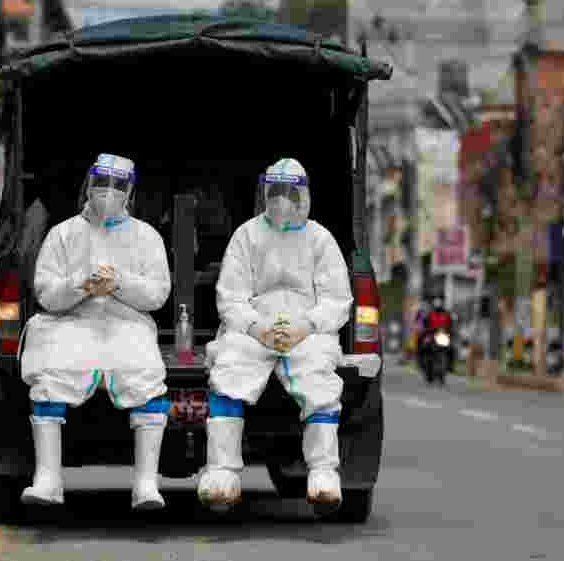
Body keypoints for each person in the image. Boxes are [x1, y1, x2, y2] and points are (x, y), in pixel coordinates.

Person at [197, 158, 353, 515]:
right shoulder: (247, 235)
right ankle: (222, 471)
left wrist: (305, 327)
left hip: (308, 330)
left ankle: (324, 471)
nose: (283, 200)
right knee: (229, 369)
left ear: (305, 194)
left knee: (319, 379)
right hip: (254, 328)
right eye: (276, 191)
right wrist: (257, 328)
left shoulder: (320, 239)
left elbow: (337, 299)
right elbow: (231, 296)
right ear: (265, 193)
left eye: (291, 192)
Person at [19, 154, 172, 511]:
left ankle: (146, 483)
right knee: (50, 370)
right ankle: (48, 479)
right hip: (70, 323)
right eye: (102, 182)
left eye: (118, 186)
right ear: (88, 184)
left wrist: (118, 284)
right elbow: (45, 292)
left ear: (131, 192)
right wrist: (82, 285)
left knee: (146, 373)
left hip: (126, 325)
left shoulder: (146, 236)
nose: (108, 192)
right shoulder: (63, 234)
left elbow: (158, 294)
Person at [418, 296, 454, 372]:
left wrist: (449, 331)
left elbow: (451, 324)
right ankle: (421, 362)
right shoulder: (430, 314)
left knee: (451, 348)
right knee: (423, 344)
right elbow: (425, 324)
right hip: (431, 335)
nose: (438, 306)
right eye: (436, 304)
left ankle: (450, 366)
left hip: (442, 335)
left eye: (439, 303)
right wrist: (426, 331)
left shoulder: (446, 314)